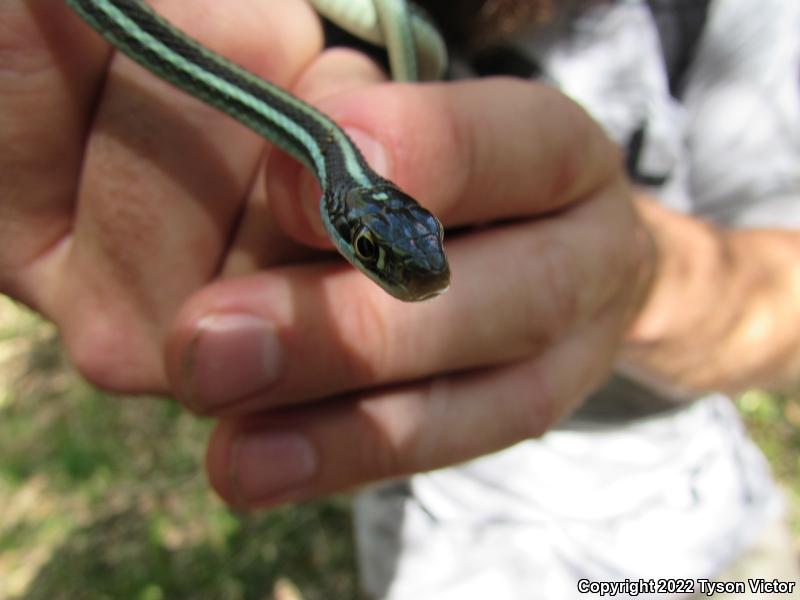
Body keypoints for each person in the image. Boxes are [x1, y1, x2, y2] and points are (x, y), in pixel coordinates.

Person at [1, 0, 797, 598]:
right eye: (381, 259)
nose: (418, 276)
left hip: (703, 537)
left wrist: (638, 277)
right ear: (343, 225)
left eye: (413, 251)